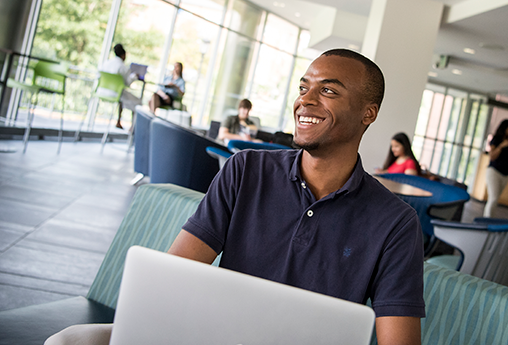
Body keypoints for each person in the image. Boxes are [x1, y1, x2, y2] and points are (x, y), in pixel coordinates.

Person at [45, 49, 425, 345]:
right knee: (70, 340)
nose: (305, 100)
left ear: (368, 113)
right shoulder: (246, 171)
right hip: (208, 338)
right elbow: (174, 277)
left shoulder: (395, 224)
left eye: (327, 90)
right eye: (303, 87)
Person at [483, 119, 508, 217]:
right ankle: (486, 220)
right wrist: (501, 146)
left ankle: (489, 218)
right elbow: (492, 156)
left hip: (505, 173)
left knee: (495, 199)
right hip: (494, 171)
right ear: (504, 127)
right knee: (493, 198)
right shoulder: (496, 139)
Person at [98, 43, 142, 129]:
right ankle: (132, 129)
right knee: (138, 102)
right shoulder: (122, 67)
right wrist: (134, 77)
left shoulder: (106, 63)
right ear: (123, 55)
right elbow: (127, 83)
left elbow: (98, 76)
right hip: (115, 94)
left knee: (122, 99)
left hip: (101, 91)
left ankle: (119, 121)